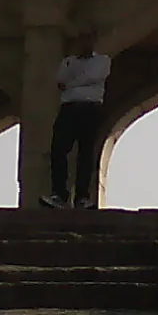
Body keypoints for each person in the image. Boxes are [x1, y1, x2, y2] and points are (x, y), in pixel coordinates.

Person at [42, 31, 110, 209]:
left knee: (85, 153)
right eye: (82, 40)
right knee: (58, 150)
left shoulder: (102, 61)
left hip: (90, 108)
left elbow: (93, 77)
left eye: (88, 39)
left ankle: (82, 196)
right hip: (69, 108)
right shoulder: (68, 61)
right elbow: (60, 80)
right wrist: (79, 81)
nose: (85, 43)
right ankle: (59, 194)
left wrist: (71, 84)